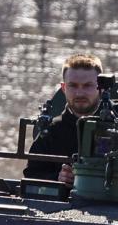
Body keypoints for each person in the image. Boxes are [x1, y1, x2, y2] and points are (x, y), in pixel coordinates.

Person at [22, 54, 103, 185]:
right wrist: (58, 179)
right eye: (73, 85)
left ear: (101, 87)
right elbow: (31, 176)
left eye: (87, 85)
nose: (80, 93)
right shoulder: (50, 132)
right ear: (64, 88)